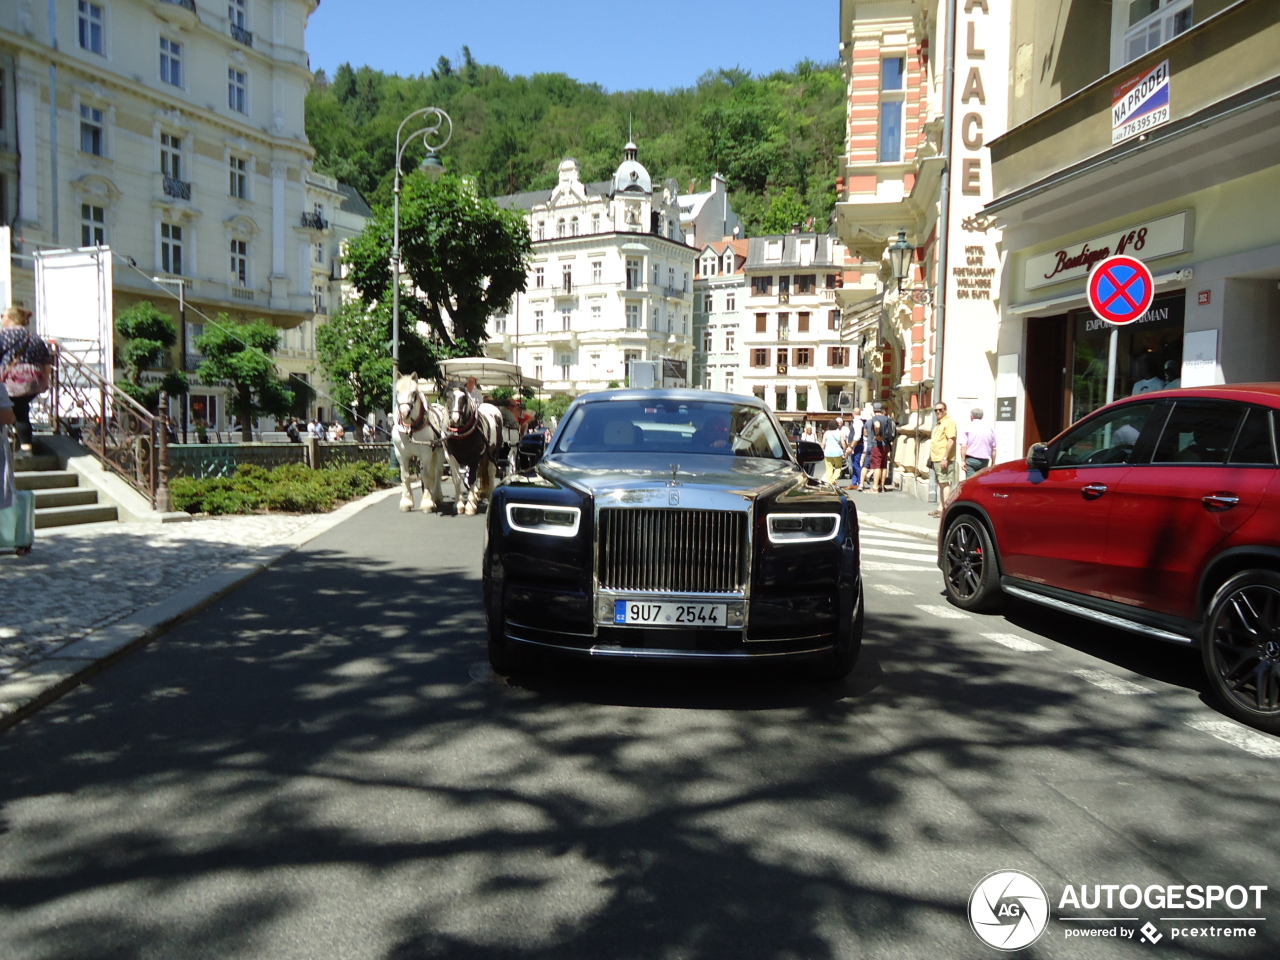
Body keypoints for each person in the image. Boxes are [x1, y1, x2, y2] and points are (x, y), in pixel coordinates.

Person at [0, 305, 54, 455]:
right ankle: (25, 446)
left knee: (15, 411)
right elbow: (46, 361)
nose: (1, 319)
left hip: (9, 381)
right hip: (32, 381)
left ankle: (22, 445)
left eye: (2, 316)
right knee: (21, 410)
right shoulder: (34, 337)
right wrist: (45, 381)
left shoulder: (3, 336)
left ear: (10, 318)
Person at [928, 401, 958, 518]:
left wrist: (945, 457)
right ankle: (941, 508)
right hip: (937, 458)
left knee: (945, 483)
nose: (938, 412)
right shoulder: (939, 423)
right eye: (936, 410)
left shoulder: (949, 422)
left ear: (945, 410)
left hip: (943, 458)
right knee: (940, 483)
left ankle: (946, 509)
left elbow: (951, 440)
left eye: (941, 410)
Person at [959, 407, 997, 477]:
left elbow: (964, 446)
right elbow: (994, 448)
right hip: (984, 460)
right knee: (981, 481)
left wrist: (963, 461)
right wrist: (993, 462)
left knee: (971, 482)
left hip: (971, 459)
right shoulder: (990, 429)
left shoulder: (967, 427)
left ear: (972, 416)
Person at [866, 418, 888, 492]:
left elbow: (877, 425)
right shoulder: (887, 419)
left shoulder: (875, 419)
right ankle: (882, 486)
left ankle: (875, 487)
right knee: (883, 466)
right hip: (886, 445)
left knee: (876, 466)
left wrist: (877, 434)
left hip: (877, 446)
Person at [821, 420, 845, 485]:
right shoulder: (840, 433)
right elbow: (843, 443)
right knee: (838, 467)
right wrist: (845, 450)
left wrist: (821, 450)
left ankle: (830, 481)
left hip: (828, 452)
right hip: (837, 452)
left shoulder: (826, 433)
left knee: (829, 468)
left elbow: (823, 443)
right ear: (837, 425)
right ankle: (834, 479)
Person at [844, 412, 865, 489]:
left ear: (853, 413)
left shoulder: (857, 422)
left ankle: (860, 483)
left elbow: (857, 436)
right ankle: (854, 483)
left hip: (857, 445)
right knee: (854, 464)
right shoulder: (857, 421)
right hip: (856, 445)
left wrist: (851, 446)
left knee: (856, 465)